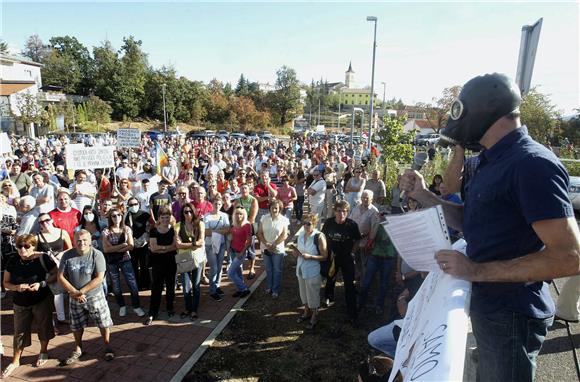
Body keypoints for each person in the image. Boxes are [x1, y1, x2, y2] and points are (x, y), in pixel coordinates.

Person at [400, 73, 580, 382]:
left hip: (511, 315)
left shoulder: (531, 163)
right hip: (490, 307)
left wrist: (476, 271)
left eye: (462, 111)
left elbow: (570, 256)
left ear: (485, 110)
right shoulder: (489, 161)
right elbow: (471, 220)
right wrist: (424, 195)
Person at [1, 235, 56, 378]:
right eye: (19, 246)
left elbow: (56, 274)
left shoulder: (43, 258)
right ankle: (15, 360)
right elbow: (5, 283)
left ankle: (43, 352)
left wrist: (41, 284)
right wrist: (16, 287)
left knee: (44, 327)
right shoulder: (13, 260)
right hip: (20, 302)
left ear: (33, 246)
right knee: (19, 332)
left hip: (41, 299)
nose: (22, 249)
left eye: (26, 246)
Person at [58, 229, 115, 365]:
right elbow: (60, 277)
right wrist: (74, 292)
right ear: (73, 241)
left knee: (103, 322)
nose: (81, 243)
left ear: (90, 242)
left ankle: (107, 345)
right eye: (78, 240)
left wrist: (81, 291)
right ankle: (78, 348)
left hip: (94, 296)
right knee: (76, 324)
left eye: (84, 240)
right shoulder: (67, 255)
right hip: (74, 297)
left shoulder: (97, 254)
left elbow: (99, 277)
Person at [321, 200, 362, 326]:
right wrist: (325, 252)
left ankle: (352, 312)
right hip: (332, 257)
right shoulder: (328, 223)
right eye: (339, 211)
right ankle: (328, 296)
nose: (342, 214)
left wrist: (353, 252)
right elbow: (322, 237)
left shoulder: (352, 225)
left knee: (349, 284)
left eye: (345, 211)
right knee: (330, 277)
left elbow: (357, 240)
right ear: (335, 211)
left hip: (347, 258)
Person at [102, 208, 145, 318]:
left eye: (118, 215)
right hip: (112, 262)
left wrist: (114, 248)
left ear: (122, 216)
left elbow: (131, 245)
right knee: (116, 285)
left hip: (125, 259)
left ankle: (136, 306)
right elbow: (106, 249)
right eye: (114, 216)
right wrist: (122, 245)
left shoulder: (126, 229)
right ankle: (122, 306)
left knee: (132, 283)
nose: (116, 218)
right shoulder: (106, 231)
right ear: (110, 218)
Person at [357, 207, 397, 315]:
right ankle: (361, 303)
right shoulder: (376, 225)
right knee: (366, 281)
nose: (383, 216)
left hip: (388, 258)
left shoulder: (394, 227)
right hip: (375, 256)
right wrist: (377, 222)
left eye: (386, 214)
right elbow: (371, 237)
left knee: (383, 284)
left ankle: (379, 305)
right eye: (381, 214)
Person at [290, 213, 327, 329]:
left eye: (309, 223)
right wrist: (295, 253)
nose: (306, 226)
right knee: (303, 293)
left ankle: (314, 316)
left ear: (314, 224)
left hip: (313, 271)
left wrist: (310, 257)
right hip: (300, 269)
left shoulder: (319, 236)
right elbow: (298, 253)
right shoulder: (301, 235)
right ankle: (306, 312)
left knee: (313, 294)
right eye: (304, 223)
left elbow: (325, 256)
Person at [36, 212, 72, 326]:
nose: (44, 223)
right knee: (47, 295)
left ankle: (61, 318)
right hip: (45, 269)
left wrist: (60, 254)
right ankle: (50, 323)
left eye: (46, 220)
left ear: (51, 220)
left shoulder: (62, 232)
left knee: (59, 293)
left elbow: (70, 249)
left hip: (59, 267)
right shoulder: (37, 236)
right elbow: (33, 253)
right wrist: (44, 254)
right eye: (41, 222)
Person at [144, 206, 177, 325]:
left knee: (170, 286)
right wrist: (166, 248)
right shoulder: (154, 230)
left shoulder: (173, 229)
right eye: (163, 217)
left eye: (167, 217)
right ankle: (153, 312)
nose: (165, 220)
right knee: (156, 288)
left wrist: (161, 248)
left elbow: (175, 246)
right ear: (159, 218)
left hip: (171, 262)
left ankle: (170, 307)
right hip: (157, 263)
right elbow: (153, 248)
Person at [175, 203, 205, 320]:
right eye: (185, 212)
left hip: (197, 258)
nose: (188, 214)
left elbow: (201, 242)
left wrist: (185, 245)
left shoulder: (200, 224)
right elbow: (177, 244)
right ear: (182, 214)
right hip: (183, 259)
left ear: (194, 212)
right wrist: (193, 244)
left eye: (190, 211)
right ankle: (188, 308)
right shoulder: (178, 225)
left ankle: (194, 310)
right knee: (186, 286)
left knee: (196, 286)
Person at [257, 200, 289, 299]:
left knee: (277, 270)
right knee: (268, 269)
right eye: (272, 207)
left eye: (276, 208)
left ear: (280, 209)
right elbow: (259, 233)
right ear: (269, 208)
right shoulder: (264, 218)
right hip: (265, 248)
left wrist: (274, 244)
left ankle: (275, 290)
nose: (274, 209)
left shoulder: (284, 219)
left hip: (277, 249)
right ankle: (269, 287)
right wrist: (266, 243)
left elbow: (284, 235)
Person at [203, 196, 230, 301]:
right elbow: (206, 232)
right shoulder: (207, 216)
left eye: (219, 204)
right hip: (210, 245)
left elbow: (227, 229)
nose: (217, 206)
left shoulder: (224, 215)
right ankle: (212, 290)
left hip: (222, 244)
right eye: (215, 204)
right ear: (212, 204)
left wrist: (213, 231)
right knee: (213, 268)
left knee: (219, 267)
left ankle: (217, 286)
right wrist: (220, 230)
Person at [125, 197, 151, 290]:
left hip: (144, 243)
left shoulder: (144, 214)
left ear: (139, 204)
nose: (133, 206)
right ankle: (137, 285)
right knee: (134, 265)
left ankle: (146, 284)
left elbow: (150, 227)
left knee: (144, 265)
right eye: (131, 205)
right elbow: (126, 229)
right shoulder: (127, 216)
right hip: (133, 244)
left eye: (135, 204)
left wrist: (145, 238)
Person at [227, 206, 252, 298]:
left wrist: (242, 252)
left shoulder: (247, 225)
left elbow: (249, 241)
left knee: (230, 273)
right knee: (237, 272)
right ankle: (240, 289)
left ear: (244, 215)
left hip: (240, 252)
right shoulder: (233, 224)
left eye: (241, 213)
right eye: (237, 213)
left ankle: (244, 288)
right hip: (233, 250)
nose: (238, 215)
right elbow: (231, 237)